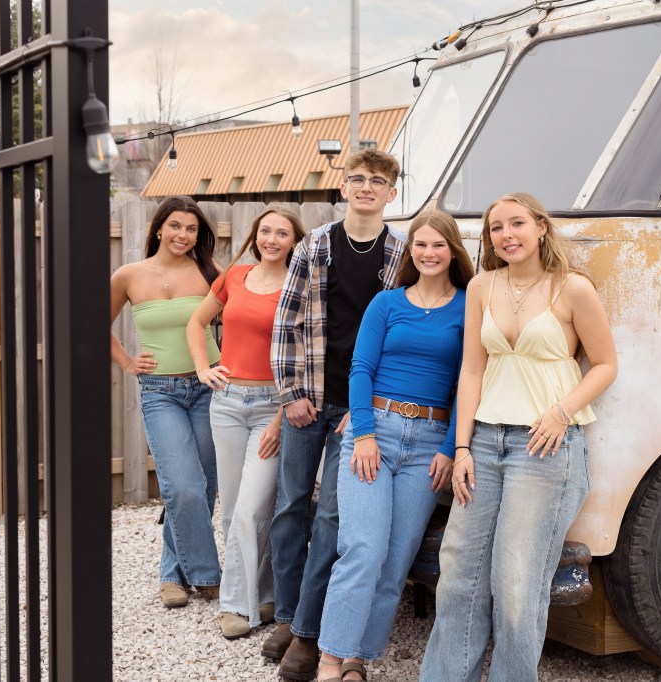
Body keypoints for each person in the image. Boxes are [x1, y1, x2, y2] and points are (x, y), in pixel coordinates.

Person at [420, 192, 617, 682]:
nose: (507, 235)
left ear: (541, 228)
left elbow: (607, 365)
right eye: (496, 228)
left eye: (517, 224)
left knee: (517, 583)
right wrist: (461, 446)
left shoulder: (572, 289)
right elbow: (471, 371)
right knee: (459, 577)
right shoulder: (484, 287)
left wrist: (561, 411)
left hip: (543, 448)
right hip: (484, 442)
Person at [316, 210, 474, 682]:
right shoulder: (386, 304)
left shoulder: (468, 306)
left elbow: (467, 383)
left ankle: (357, 660)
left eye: (438, 245)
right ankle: (329, 659)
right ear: (411, 252)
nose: (428, 253)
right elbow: (359, 369)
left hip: (429, 444)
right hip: (376, 433)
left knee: (396, 558)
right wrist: (363, 433)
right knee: (362, 548)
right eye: (420, 245)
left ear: (452, 252)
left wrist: (450, 446)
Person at [267, 149, 406, 681]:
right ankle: (286, 615)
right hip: (309, 398)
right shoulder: (315, 245)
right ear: (343, 187)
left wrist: (365, 409)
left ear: (391, 192)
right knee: (291, 506)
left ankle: (307, 634)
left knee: (331, 517)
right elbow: (287, 321)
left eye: (377, 181)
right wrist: (292, 392)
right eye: (357, 179)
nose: (366, 188)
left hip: (357, 406)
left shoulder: (400, 254)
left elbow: (395, 341)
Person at [186, 207, 306, 640]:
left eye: (282, 233)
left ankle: (236, 605)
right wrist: (205, 369)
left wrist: (280, 416)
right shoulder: (234, 277)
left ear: (295, 241)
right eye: (266, 231)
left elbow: (305, 360)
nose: (272, 239)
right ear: (256, 235)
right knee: (235, 507)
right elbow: (197, 323)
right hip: (227, 403)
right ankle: (264, 592)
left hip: (272, 408)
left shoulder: (302, 285)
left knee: (255, 506)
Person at [110, 195, 222, 609]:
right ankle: (208, 576)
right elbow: (93, 322)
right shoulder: (129, 274)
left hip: (209, 387)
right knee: (182, 486)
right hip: (160, 392)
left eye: (192, 229)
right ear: (160, 227)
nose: (184, 235)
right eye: (176, 226)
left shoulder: (210, 272)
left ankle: (171, 575)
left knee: (205, 486)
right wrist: (127, 362)